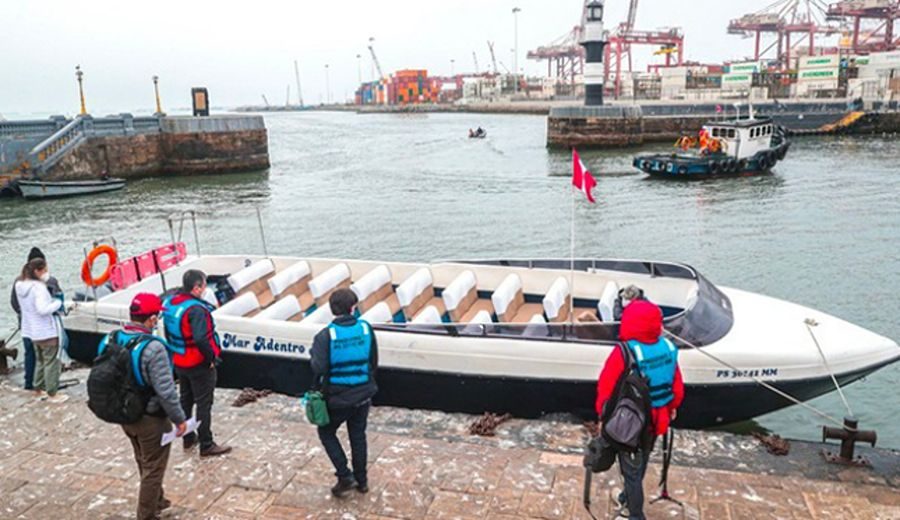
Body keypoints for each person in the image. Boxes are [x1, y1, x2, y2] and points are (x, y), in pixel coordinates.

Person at [100, 293, 188, 520]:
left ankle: (158, 500)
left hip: (124, 412)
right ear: (150, 319)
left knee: (143, 459)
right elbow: (166, 391)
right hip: (150, 418)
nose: (157, 320)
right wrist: (179, 419)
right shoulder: (154, 348)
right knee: (154, 468)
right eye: (157, 316)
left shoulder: (114, 338)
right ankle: (147, 514)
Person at [595, 300, 684, 520]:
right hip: (657, 420)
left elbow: (606, 387)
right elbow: (677, 385)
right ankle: (626, 497)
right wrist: (672, 407)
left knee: (631, 472)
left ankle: (635, 514)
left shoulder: (624, 352)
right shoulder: (669, 348)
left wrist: (602, 416)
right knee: (641, 461)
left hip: (631, 424)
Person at [310, 288, 379, 497]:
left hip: (338, 398)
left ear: (332, 310)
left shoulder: (325, 336)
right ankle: (362, 481)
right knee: (358, 436)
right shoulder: (366, 329)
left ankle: (344, 475)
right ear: (352, 308)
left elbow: (318, 368)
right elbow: (373, 361)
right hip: (364, 394)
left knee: (326, 432)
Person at [161, 269, 231, 457]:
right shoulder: (196, 310)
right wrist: (211, 359)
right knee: (203, 403)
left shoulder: (171, 303)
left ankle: (188, 437)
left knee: (186, 399)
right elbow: (201, 339)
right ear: (196, 287)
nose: (205, 289)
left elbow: (167, 331)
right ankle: (206, 444)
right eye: (203, 285)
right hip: (198, 363)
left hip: (180, 360)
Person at [14, 257, 66, 402]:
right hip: (46, 330)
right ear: (38, 271)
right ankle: (52, 393)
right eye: (45, 269)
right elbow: (42, 309)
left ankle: (38, 389)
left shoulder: (20, 286)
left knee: (40, 361)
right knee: (51, 362)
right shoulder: (39, 288)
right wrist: (57, 303)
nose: (46, 273)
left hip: (31, 330)